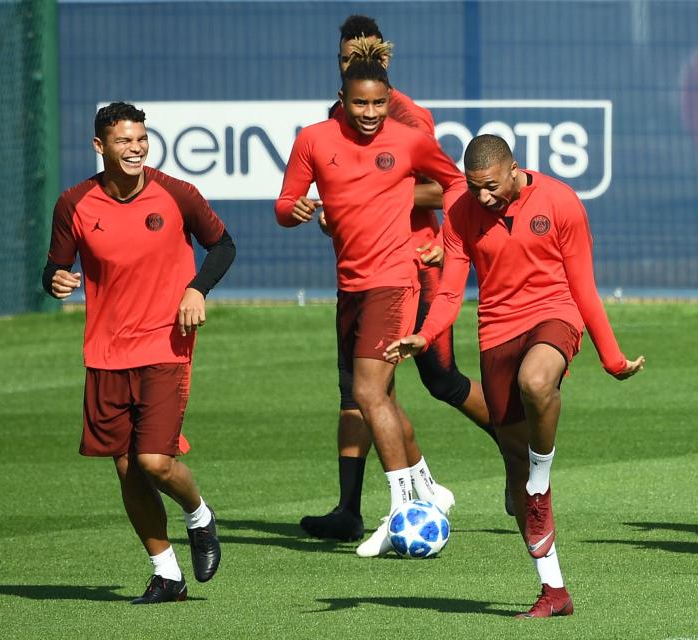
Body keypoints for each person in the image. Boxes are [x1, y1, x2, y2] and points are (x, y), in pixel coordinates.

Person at [384, 134, 645, 618]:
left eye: (490, 186)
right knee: (514, 466)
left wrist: (612, 357)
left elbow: (584, 286)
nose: (482, 196)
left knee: (537, 382)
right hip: (496, 332)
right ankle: (554, 592)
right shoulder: (461, 211)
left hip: (554, 314)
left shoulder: (560, 200)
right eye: (472, 186)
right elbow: (448, 293)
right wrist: (424, 335)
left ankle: (541, 480)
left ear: (514, 169)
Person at [299, 16, 501, 545]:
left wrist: (365, 198)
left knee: (439, 379)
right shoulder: (335, 118)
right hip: (365, 271)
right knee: (362, 392)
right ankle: (352, 507)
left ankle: (516, 449)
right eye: (344, 60)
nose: (352, 66)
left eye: (361, 57)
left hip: (414, 263)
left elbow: (441, 186)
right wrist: (336, 211)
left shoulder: (406, 116)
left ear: (383, 62)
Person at [44, 102, 235, 603]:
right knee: (126, 467)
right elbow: (55, 268)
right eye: (124, 141)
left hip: (165, 344)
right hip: (105, 352)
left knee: (153, 460)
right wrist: (56, 280)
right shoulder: (74, 203)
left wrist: (197, 289)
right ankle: (166, 574)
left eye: (141, 139)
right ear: (99, 146)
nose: (136, 148)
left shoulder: (176, 193)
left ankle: (199, 514)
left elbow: (223, 246)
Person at [275, 58, 466, 557]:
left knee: (365, 392)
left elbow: (458, 185)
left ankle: (403, 508)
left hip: (396, 283)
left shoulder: (407, 138)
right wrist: (293, 211)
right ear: (342, 98)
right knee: (380, 397)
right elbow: (285, 204)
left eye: (379, 103)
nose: (370, 112)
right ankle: (427, 487)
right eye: (361, 102)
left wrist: (448, 241)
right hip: (349, 288)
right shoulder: (313, 139)